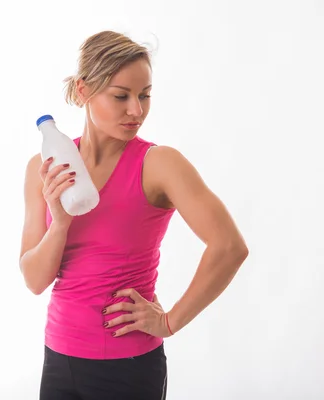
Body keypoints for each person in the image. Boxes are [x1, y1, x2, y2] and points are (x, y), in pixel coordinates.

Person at [19, 30, 249, 400]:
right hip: (59, 358)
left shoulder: (159, 164)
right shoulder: (43, 169)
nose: (136, 111)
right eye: (121, 96)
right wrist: (59, 224)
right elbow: (34, 279)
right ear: (83, 90)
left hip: (128, 368)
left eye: (144, 96)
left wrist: (170, 322)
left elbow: (229, 246)